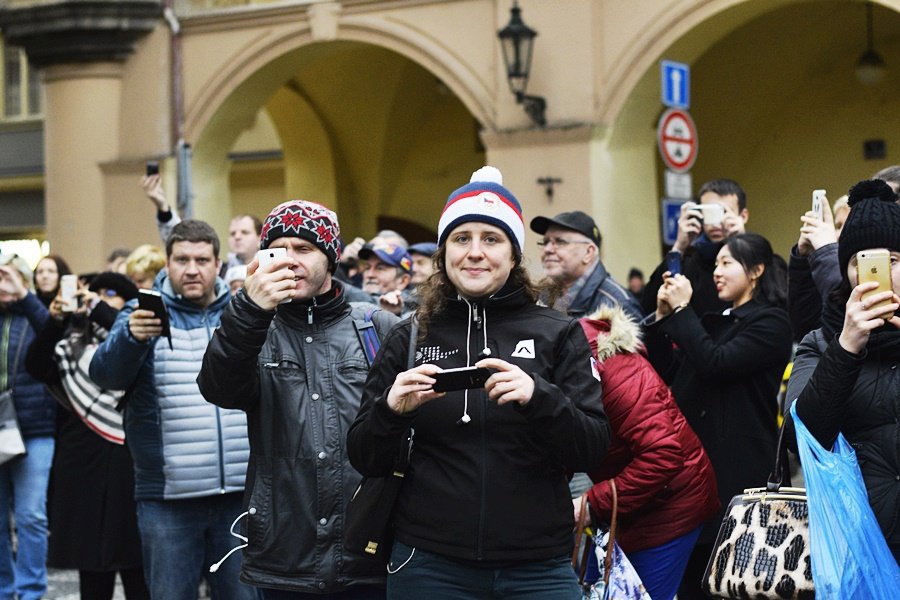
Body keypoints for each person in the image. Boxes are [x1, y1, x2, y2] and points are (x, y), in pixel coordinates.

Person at [347, 166, 610, 599]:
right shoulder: (409, 335)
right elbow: (364, 456)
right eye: (460, 238)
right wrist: (390, 410)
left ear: (513, 254)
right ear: (443, 252)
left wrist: (538, 396)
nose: (474, 252)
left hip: (538, 567)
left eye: (491, 239)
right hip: (429, 564)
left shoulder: (557, 332)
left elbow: (594, 448)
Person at [198, 200, 398, 598]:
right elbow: (218, 388)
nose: (290, 261)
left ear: (331, 256)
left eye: (304, 249)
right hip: (285, 552)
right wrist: (250, 311)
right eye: (279, 250)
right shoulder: (254, 327)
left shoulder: (375, 325)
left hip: (368, 548)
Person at [89, 220, 255, 600]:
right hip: (167, 499)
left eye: (201, 259)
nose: (191, 269)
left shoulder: (244, 312)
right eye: (182, 259)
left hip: (238, 494)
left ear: (218, 264)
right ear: (167, 262)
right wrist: (130, 338)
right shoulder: (140, 311)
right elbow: (105, 375)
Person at [642, 232, 792, 600]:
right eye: (716, 264)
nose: (717, 272)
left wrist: (682, 312)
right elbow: (666, 372)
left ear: (756, 270)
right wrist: (662, 318)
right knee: (695, 581)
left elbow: (714, 363)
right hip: (692, 473)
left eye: (727, 263)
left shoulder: (772, 322)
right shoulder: (714, 321)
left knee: (738, 583)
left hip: (740, 475)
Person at [784, 179, 900, 562]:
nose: (875, 274)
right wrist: (846, 346)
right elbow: (802, 437)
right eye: (859, 263)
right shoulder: (821, 342)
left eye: (892, 262)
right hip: (859, 540)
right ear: (846, 271)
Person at [577, 305, 719, 600]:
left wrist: (592, 504)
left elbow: (662, 455)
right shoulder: (565, 366)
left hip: (670, 503)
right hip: (625, 504)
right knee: (596, 592)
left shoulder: (613, 369)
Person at [24, 272, 149, 600]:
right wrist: (55, 321)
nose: (99, 299)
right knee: (92, 570)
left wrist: (98, 308)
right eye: (93, 293)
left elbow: (125, 333)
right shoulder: (70, 345)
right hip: (83, 466)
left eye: (111, 293)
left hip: (129, 461)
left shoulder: (138, 335)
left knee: (138, 568)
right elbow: (35, 365)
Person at [0, 253, 56, 600]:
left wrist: (23, 296)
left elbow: (54, 335)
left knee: (31, 515)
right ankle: (4, 590)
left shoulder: (36, 313)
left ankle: (31, 590)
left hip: (34, 428)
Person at [641, 179, 749, 319]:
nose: (716, 223)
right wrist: (679, 246)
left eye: (723, 212)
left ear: (743, 216)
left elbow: (771, 298)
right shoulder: (689, 264)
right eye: (709, 212)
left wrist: (743, 244)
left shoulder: (758, 259)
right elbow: (648, 307)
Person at [530, 210, 641, 320]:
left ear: (588, 252)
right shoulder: (542, 298)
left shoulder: (617, 306)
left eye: (560, 242)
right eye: (545, 242)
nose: (548, 249)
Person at [359, 243, 414, 315]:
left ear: (403, 281)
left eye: (380, 268)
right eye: (367, 267)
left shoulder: (413, 309)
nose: (370, 275)